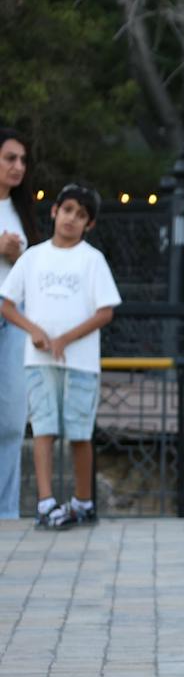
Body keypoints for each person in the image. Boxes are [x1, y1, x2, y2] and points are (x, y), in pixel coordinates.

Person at [0, 183, 120, 530]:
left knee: (79, 431)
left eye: (81, 215)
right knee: (43, 428)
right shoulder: (33, 257)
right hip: (39, 363)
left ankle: (83, 501)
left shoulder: (92, 260)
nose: (71, 219)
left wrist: (66, 339)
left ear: (89, 224)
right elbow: (7, 304)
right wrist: (34, 331)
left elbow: (105, 311)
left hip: (80, 362)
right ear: (54, 211)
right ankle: (46, 502)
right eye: (67, 210)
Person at [0, 128, 35, 518]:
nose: (18, 166)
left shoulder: (22, 209)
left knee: (11, 419)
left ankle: (5, 514)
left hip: (14, 314)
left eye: (23, 160)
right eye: (10, 158)